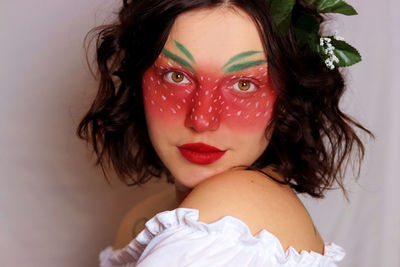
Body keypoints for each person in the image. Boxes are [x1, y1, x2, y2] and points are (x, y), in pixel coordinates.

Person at [77, 0, 372, 266]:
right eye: (176, 76)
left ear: (286, 100)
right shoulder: (145, 216)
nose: (202, 119)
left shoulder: (230, 217)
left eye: (244, 84)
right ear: (138, 82)